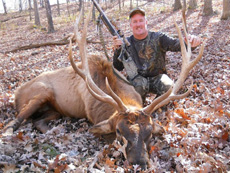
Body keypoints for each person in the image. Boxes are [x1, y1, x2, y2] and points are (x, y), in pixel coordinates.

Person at [112, 7, 202, 101]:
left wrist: (190, 43)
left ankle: (157, 109)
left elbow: (176, 44)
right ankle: (139, 109)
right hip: (137, 82)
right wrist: (118, 49)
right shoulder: (126, 43)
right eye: (135, 21)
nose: (138, 24)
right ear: (131, 25)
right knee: (137, 86)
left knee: (169, 86)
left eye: (141, 20)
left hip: (157, 78)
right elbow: (118, 67)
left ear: (146, 22)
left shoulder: (158, 38)